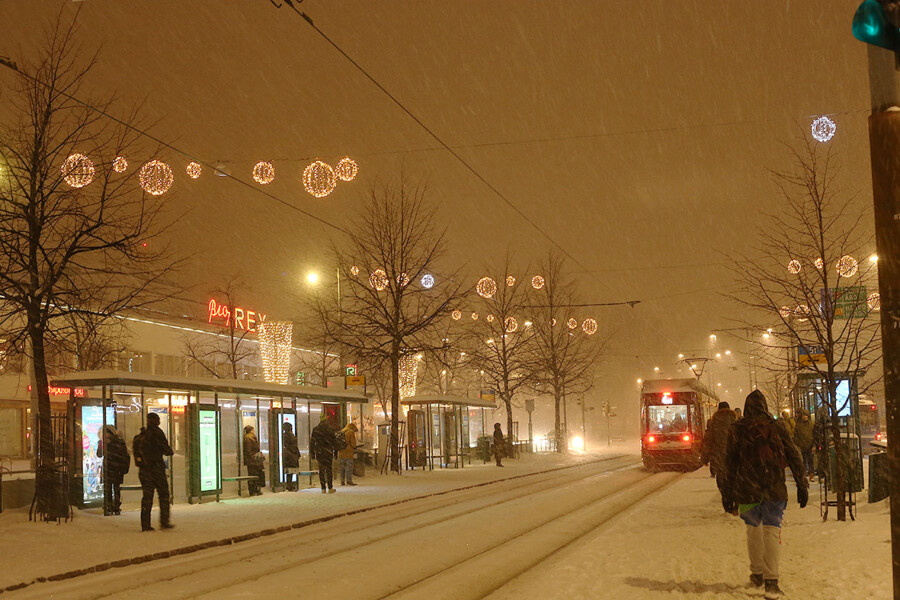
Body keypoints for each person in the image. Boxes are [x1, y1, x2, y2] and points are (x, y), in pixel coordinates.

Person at [725, 390, 807, 599]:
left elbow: (730, 465)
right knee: (771, 532)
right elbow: (794, 455)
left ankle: (757, 574)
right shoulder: (777, 426)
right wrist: (801, 484)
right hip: (774, 487)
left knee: (753, 530)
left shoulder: (738, 429)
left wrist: (728, 495)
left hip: (747, 488)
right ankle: (771, 582)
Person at [134, 413, 174, 532]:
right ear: (157, 421)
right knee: (164, 495)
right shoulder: (157, 433)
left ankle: (145, 524)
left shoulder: (143, 434)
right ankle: (164, 521)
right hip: (156, 470)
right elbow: (167, 450)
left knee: (147, 497)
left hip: (144, 470)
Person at [701, 401, 736, 512]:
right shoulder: (736, 422)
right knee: (734, 479)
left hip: (719, 457)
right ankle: (735, 502)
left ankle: (727, 505)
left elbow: (708, 442)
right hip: (734, 457)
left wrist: (705, 458)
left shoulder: (713, 423)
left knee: (722, 481)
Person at [98, 425, 130, 515]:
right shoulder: (105, 442)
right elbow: (99, 454)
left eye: (106, 433)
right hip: (110, 468)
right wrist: (100, 445)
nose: (105, 435)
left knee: (115, 487)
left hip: (116, 468)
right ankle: (109, 505)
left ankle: (115, 506)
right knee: (109, 488)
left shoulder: (118, 442)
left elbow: (124, 455)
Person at [310, 414, 336, 493]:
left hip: (319, 452)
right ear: (326, 420)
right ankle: (330, 487)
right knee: (329, 470)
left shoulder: (316, 429)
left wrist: (312, 453)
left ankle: (323, 488)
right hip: (328, 452)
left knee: (321, 470)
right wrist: (335, 452)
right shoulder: (330, 429)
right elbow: (334, 442)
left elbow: (312, 442)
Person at [793, 409, 815, 481]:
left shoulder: (811, 425)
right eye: (804, 415)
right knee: (804, 461)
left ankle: (811, 475)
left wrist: (814, 445)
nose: (805, 417)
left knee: (811, 460)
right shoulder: (798, 425)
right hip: (802, 446)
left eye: (806, 415)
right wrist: (798, 444)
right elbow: (795, 436)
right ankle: (804, 475)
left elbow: (814, 435)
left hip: (810, 445)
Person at [242, 425, 264, 496]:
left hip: (254, 460)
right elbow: (249, 451)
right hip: (252, 461)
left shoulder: (252, 438)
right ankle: (252, 490)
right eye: (252, 430)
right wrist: (254, 458)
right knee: (253, 476)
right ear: (250, 431)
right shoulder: (248, 439)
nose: (254, 431)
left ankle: (255, 489)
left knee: (255, 475)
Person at [282, 422, 300, 491]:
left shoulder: (288, 435)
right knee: (290, 470)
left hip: (291, 454)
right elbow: (291, 445)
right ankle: (289, 485)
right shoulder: (288, 435)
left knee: (291, 470)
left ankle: (290, 485)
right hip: (291, 455)